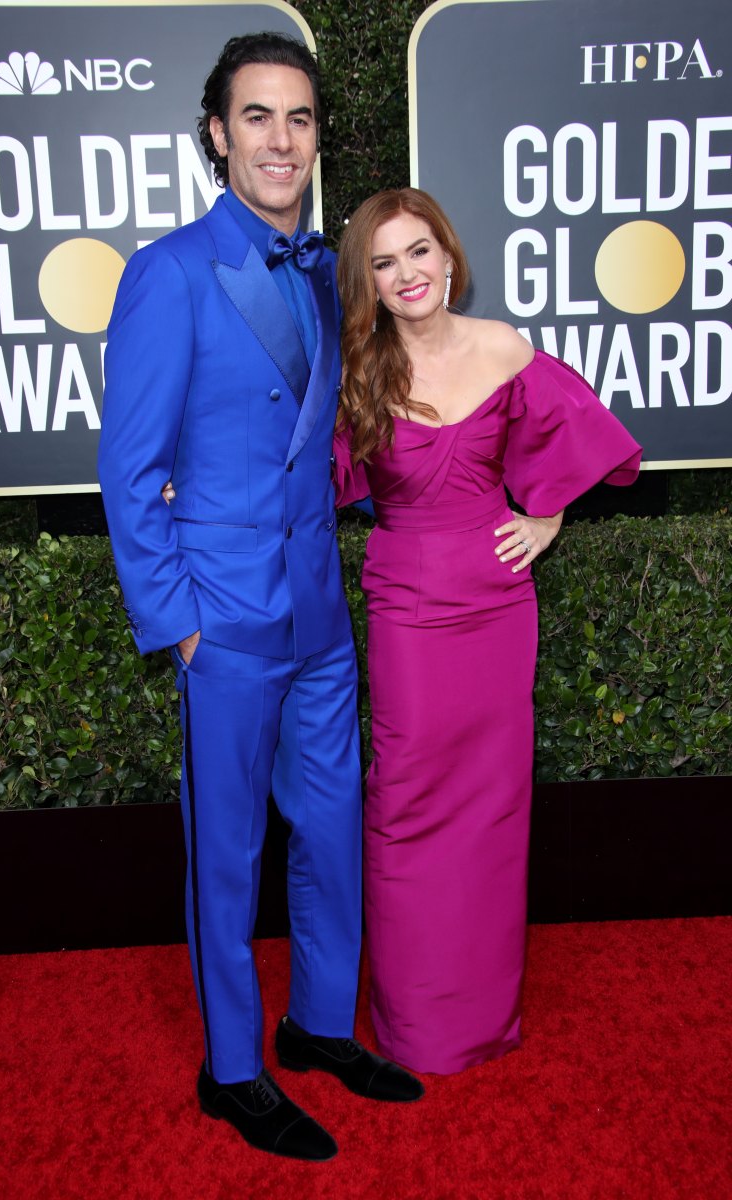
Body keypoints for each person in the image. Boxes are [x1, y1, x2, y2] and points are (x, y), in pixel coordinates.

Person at [98, 35, 422, 1163]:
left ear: (316, 136)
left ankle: (317, 1024)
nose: (280, 140)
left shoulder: (330, 272)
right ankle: (231, 1068)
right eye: (256, 116)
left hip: (318, 613)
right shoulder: (170, 272)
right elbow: (129, 473)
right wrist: (179, 625)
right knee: (227, 855)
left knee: (330, 829)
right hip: (224, 621)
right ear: (216, 134)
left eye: (299, 118)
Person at [333, 188, 642, 1075]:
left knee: (493, 808)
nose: (407, 273)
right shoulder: (359, 371)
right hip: (408, 608)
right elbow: (290, 466)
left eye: (418, 251)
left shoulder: (504, 346)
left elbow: (578, 435)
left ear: (447, 255)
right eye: (384, 262)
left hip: (499, 605)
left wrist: (547, 514)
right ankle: (416, 1021)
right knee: (405, 805)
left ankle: (481, 1012)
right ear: (368, 282)